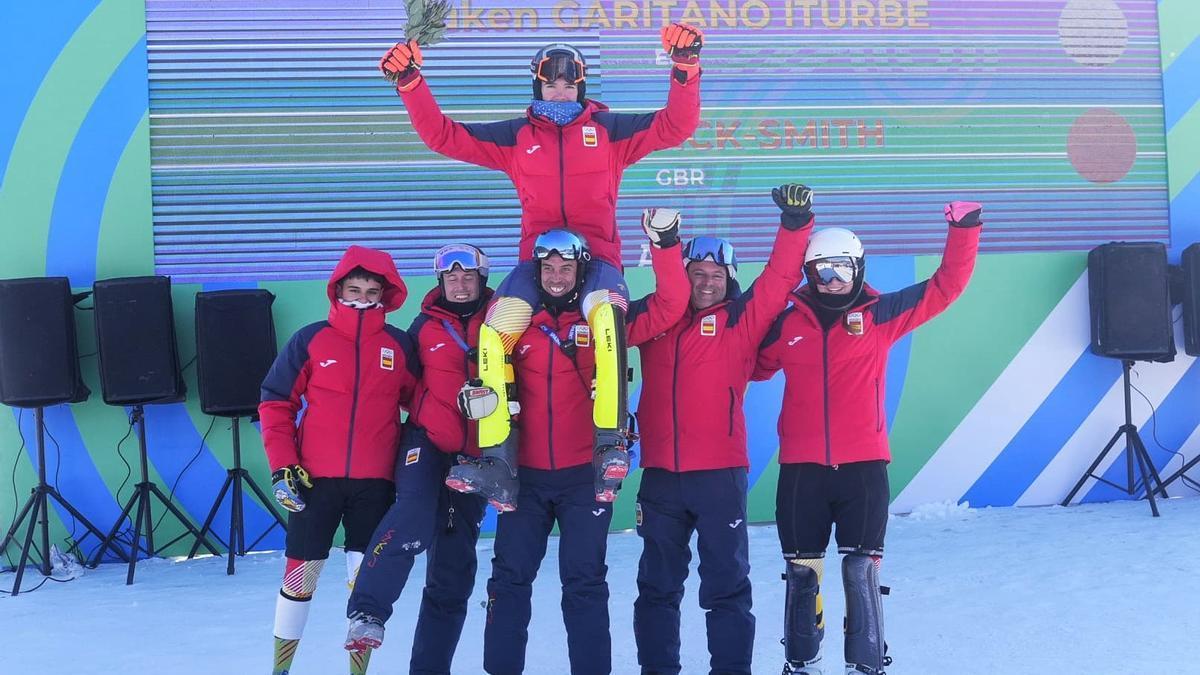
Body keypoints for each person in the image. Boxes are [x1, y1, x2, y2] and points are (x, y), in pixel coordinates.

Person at [378, 24, 705, 511]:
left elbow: (675, 127)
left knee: (607, 321)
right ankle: (498, 463)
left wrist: (685, 69)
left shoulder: (609, 133)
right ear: (537, 85)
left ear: (581, 87)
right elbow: (443, 136)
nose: (560, 90)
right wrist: (410, 84)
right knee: (494, 334)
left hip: (596, 263)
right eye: (551, 83)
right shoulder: (517, 136)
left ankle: (610, 445)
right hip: (538, 265)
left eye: (569, 84)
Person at [753, 201, 983, 675]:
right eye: (820, 270)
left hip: (863, 468)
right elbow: (753, 365)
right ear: (808, 273)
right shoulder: (787, 321)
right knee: (802, 574)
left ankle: (866, 664)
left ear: (858, 268)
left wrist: (964, 229)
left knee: (860, 572)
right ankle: (801, 662)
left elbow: (946, 287)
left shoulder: (880, 314)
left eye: (841, 269)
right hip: (802, 470)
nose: (832, 280)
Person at [484, 212, 690, 675]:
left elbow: (672, 304)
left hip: (583, 478)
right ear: (536, 272)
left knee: (584, 584)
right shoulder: (514, 325)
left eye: (566, 269)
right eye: (548, 269)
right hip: (526, 479)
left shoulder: (609, 319)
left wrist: (666, 243)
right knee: (509, 582)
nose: (557, 277)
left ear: (580, 273)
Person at [631, 185, 816, 675]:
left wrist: (795, 225)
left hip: (720, 476)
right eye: (697, 273)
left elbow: (779, 278)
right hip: (661, 478)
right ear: (681, 274)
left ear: (729, 279)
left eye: (717, 274)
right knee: (656, 588)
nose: (708, 282)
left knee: (727, 587)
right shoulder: (652, 318)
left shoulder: (743, 319)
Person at [259, 245, 420, 675]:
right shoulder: (311, 339)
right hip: (313, 482)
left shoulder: (398, 344)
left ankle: (358, 671)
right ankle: (280, 669)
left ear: (385, 296)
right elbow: (276, 401)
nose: (363, 298)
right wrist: (282, 465)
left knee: (363, 588)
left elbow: (422, 406)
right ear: (337, 290)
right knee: (300, 578)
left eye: (371, 291)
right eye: (354, 289)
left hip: (375, 485)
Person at [341, 244, 493, 672]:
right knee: (412, 514)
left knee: (454, 568)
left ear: (481, 279)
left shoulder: (504, 320)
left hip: (477, 454)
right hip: (425, 441)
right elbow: (395, 381)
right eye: (451, 279)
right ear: (439, 281)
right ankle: (368, 612)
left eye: (467, 278)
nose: (459, 286)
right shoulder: (423, 326)